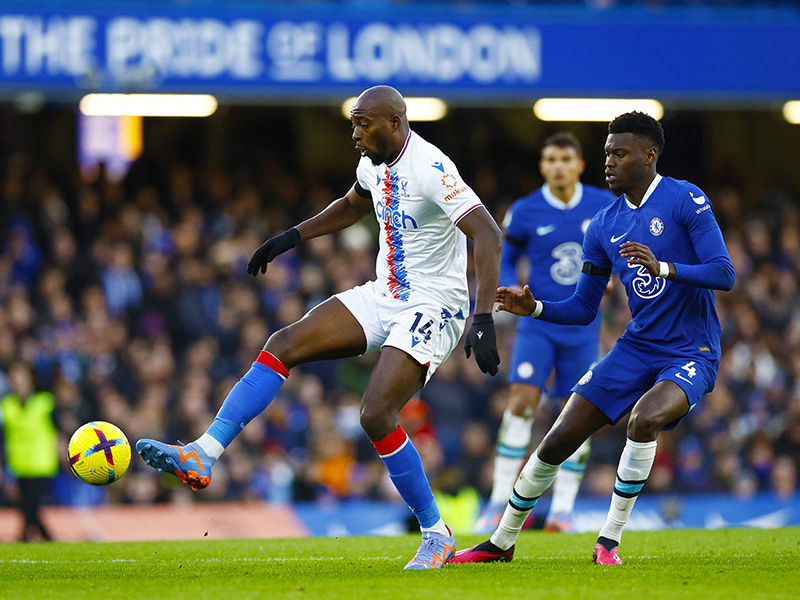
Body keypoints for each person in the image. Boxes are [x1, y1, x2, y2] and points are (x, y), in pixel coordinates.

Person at [136, 85, 503, 569]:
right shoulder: (373, 161)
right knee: (283, 343)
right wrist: (292, 236)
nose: (354, 133)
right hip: (385, 293)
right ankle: (203, 453)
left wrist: (481, 320)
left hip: (436, 306)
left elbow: (488, 234)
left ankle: (436, 532)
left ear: (394, 123)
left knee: (375, 414)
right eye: (353, 123)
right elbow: (353, 204)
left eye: (362, 123)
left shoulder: (433, 169)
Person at [452, 111, 734, 566]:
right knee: (558, 438)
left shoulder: (686, 200)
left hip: (691, 350)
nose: (609, 162)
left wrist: (663, 267)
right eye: (606, 154)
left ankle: (608, 540)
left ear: (649, 155)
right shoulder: (603, 225)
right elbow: (584, 308)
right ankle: (500, 541)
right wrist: (536, 307)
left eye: (619, 154)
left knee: (642, 421)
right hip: (636, 347)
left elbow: (724, 273)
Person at [474, 133, 614, 535]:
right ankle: (499, 502)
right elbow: (506, 255)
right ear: (542, 166)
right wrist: (505, 285)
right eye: (550, 158)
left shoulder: (603, 206)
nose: (558, 166)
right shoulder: (525, 211)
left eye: (566, 158)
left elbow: (621, 251)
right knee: (520, 404)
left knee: (578, 413)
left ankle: (562, 510)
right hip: (537, 325)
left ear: (579, 165)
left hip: (583, 327)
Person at [0, 361, 59, 542]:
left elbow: (59, 429)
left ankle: (29, 536)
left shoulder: (45, 402)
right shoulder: (6, 406)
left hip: (42, 463)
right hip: (18, 465)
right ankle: (38, 537)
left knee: (30, 505)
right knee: (26, 505)